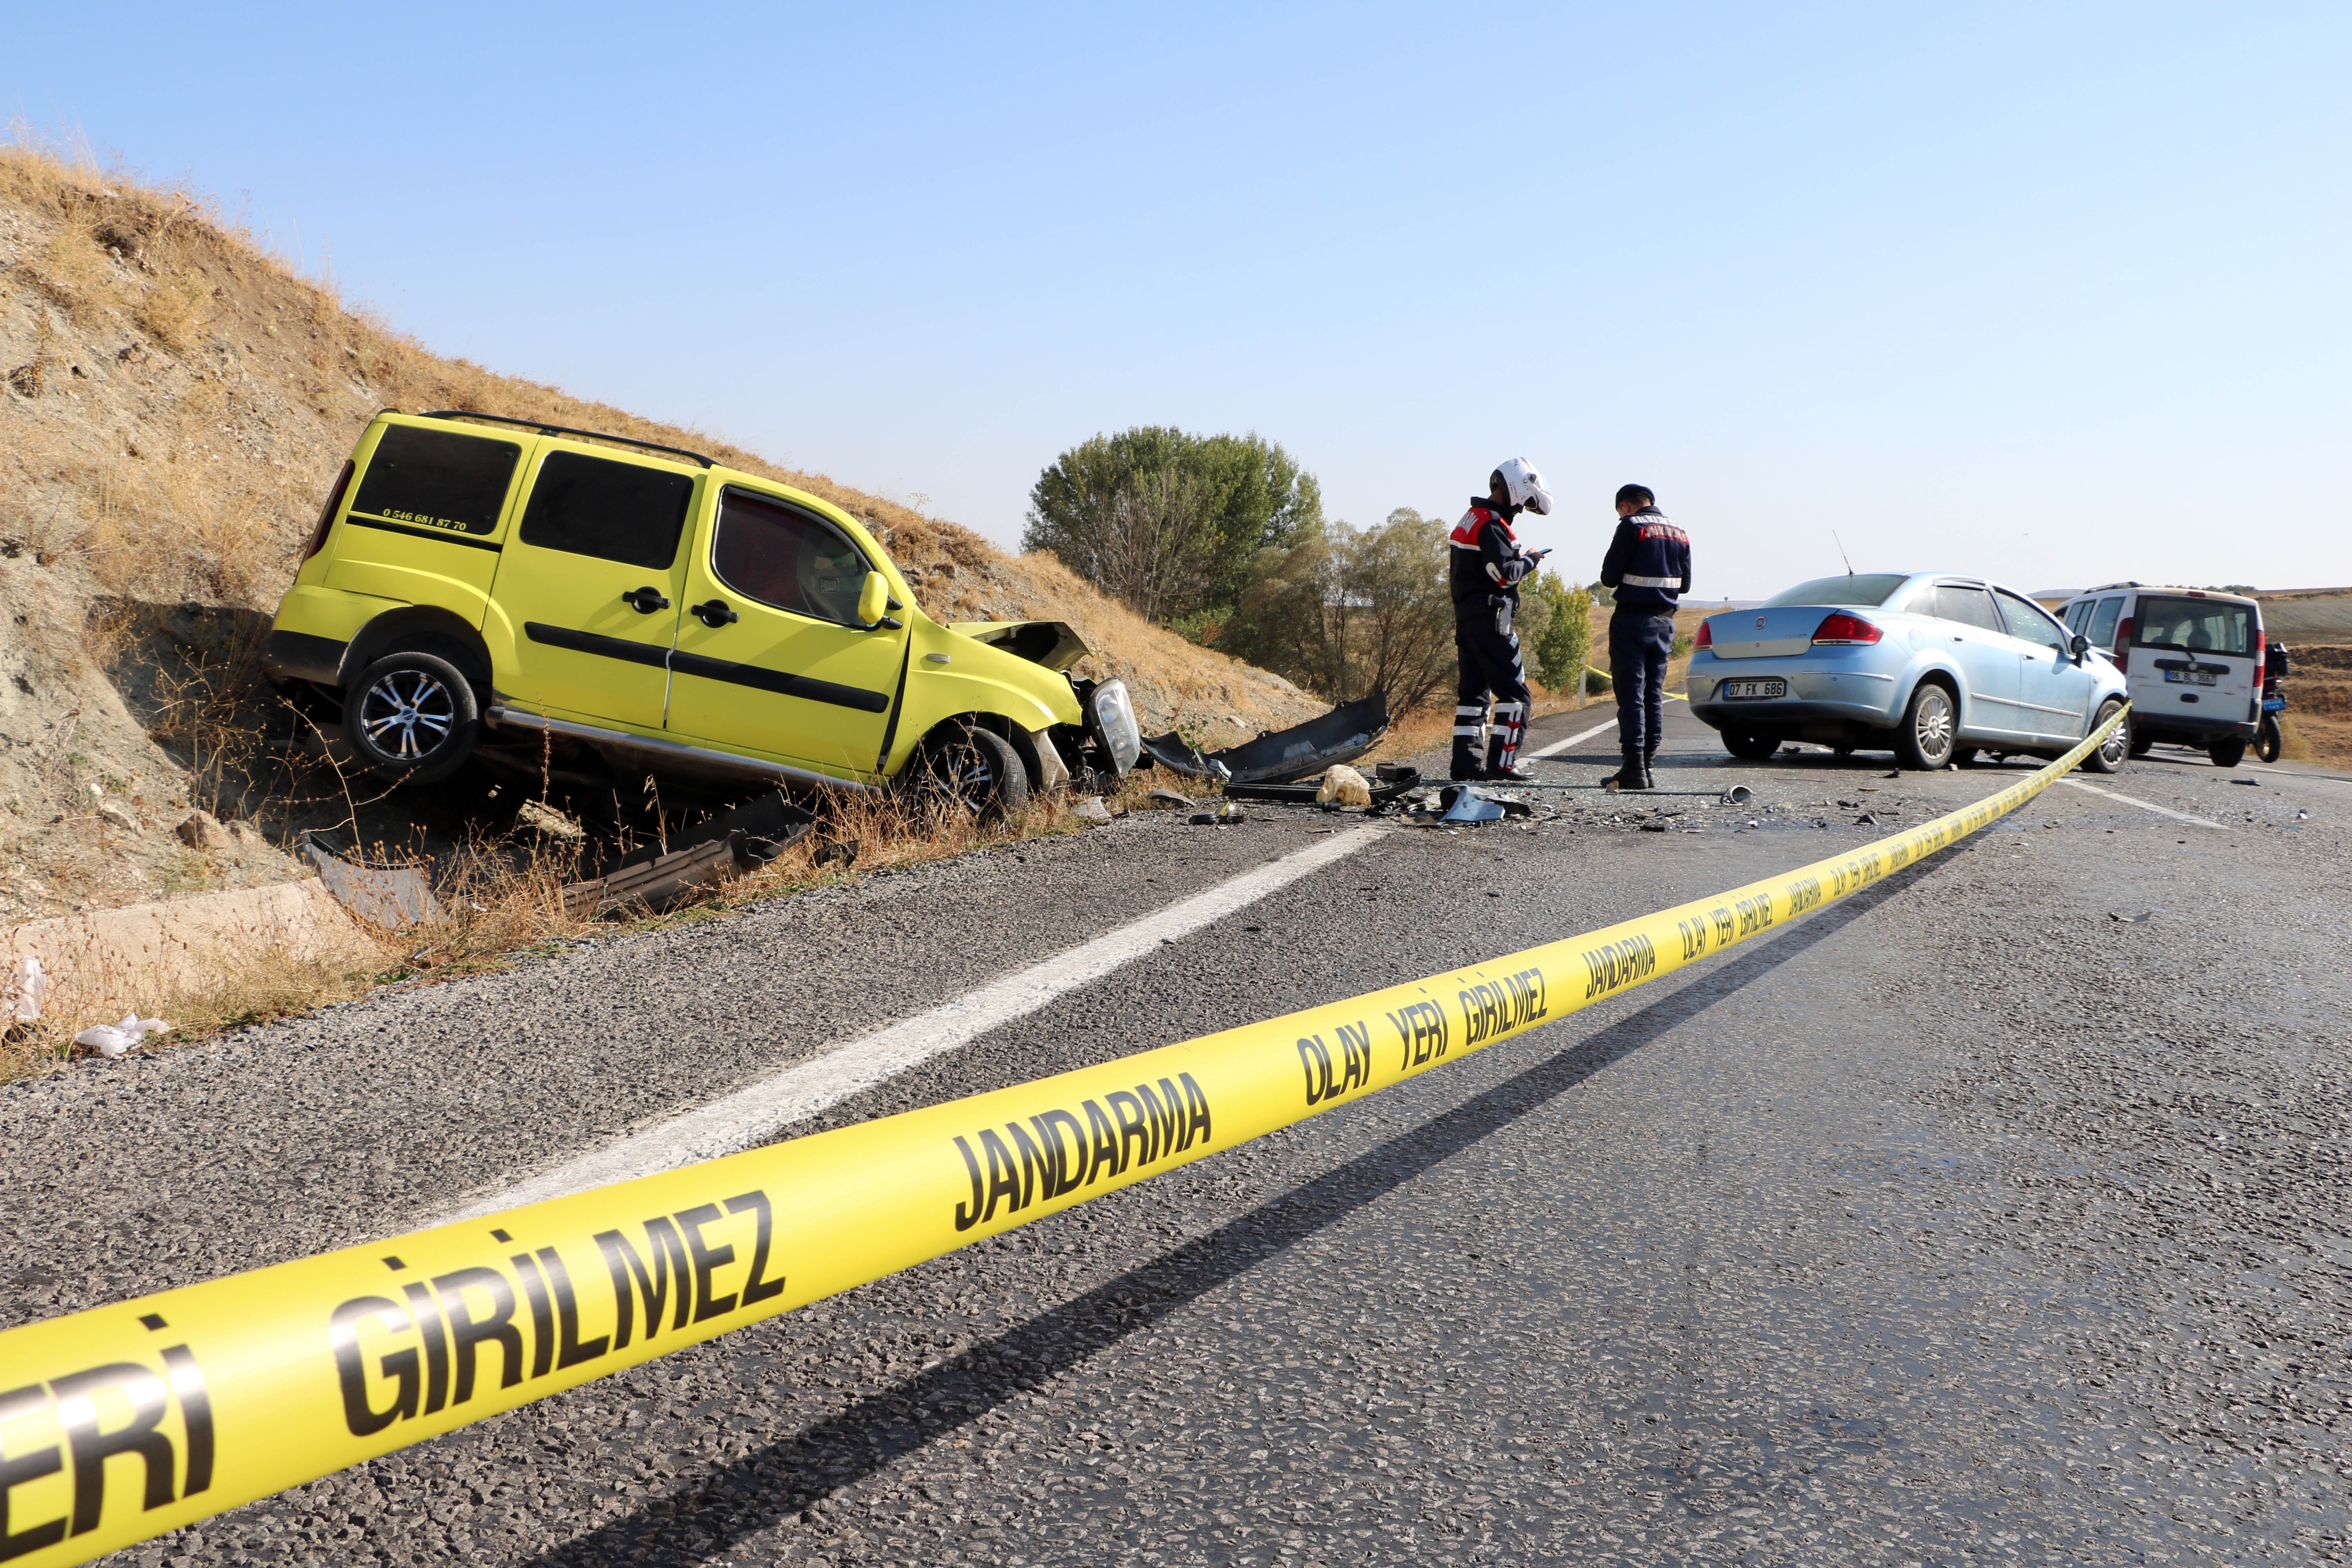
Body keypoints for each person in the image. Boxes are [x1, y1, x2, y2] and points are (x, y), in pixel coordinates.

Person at [1449, 459, 1552, 780]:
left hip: (1467, 620)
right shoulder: (1491, 525)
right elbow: (1505, 576)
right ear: (1516, 490)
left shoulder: (1470, 518)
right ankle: (1503, 764)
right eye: (1524, 503)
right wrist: (1531, 561)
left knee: (1474, 696)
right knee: (1516, 695)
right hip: (1493, 620)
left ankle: (1465, 765)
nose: (1521, 510)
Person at [1596, 484, 1690, 791]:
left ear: (1625, 506)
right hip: (1665, 622)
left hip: (1632, 620)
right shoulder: (1680, 531)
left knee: (1631, 694)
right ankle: (1648, 766)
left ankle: (1633, 767)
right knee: (1654, 694)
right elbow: (1685, 585)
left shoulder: (1631, 527)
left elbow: (1609, 578)